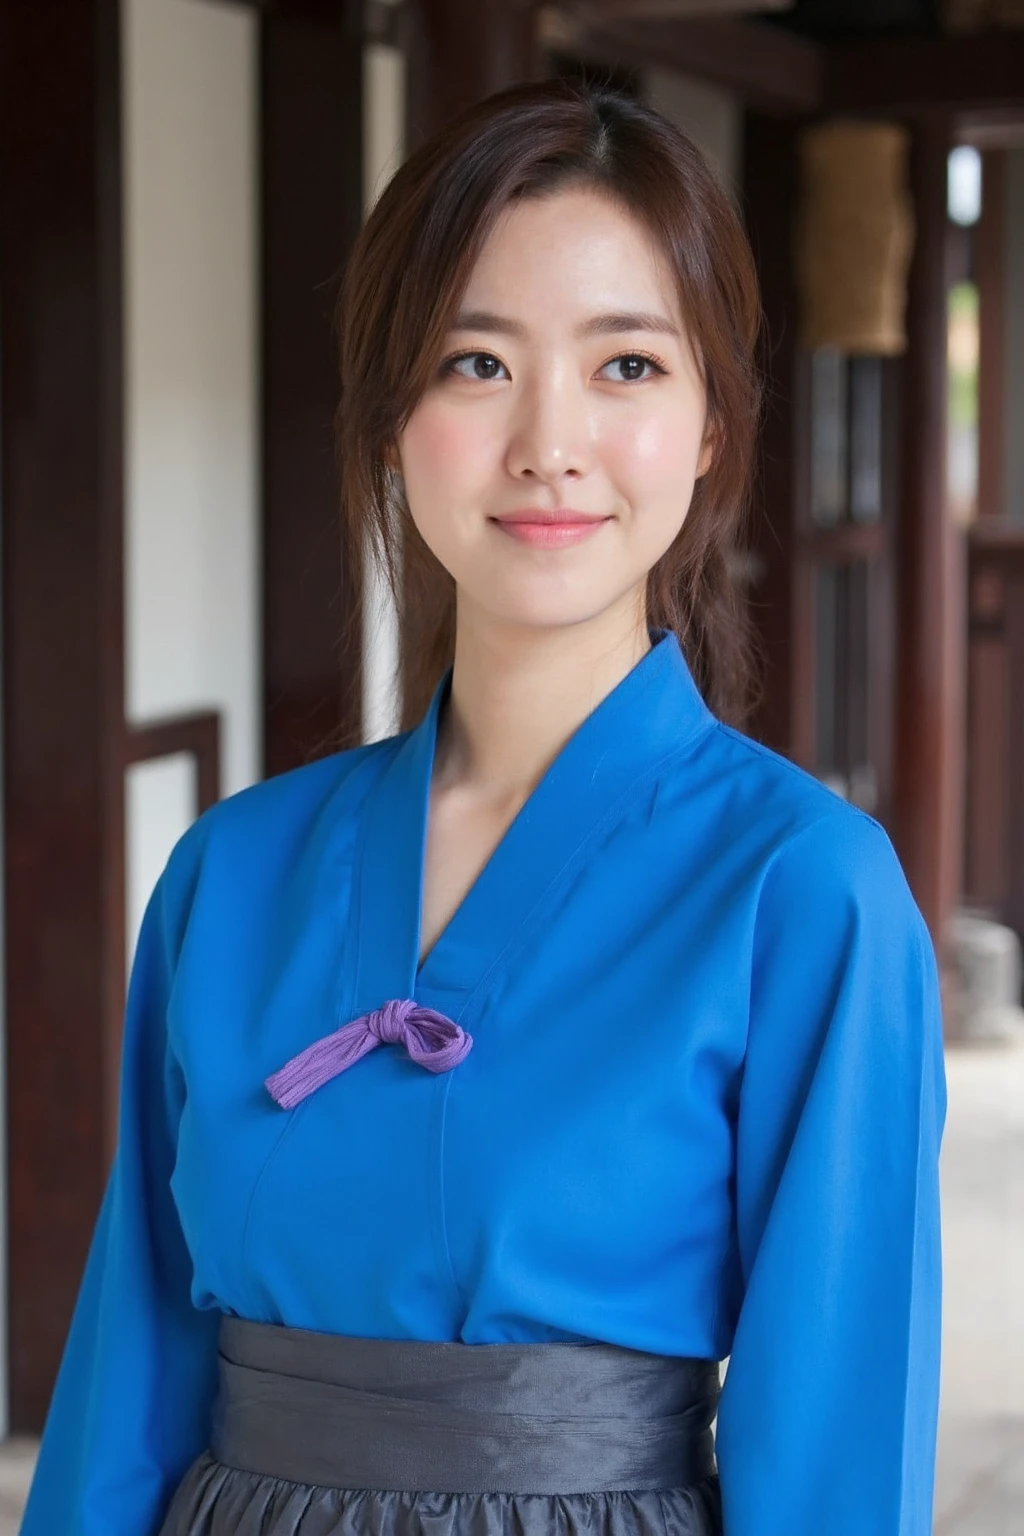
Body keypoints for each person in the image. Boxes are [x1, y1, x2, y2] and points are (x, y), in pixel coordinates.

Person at [20, 78, 946, 1536]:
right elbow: (128, 1369)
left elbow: (839, 1440)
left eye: (628, 367)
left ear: (713, 425)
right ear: (393, 417)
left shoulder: (804, 890)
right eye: (475, 363)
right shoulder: (231, 873)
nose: (549, 444)